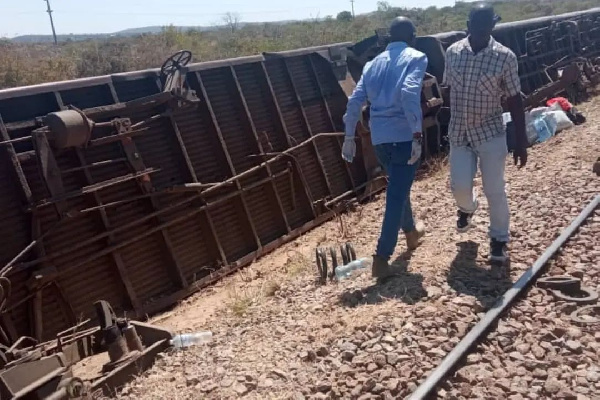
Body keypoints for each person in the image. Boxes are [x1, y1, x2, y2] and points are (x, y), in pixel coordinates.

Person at [342, 17, 427, 280]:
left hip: (380, 140)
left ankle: (411, 233)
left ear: (388, 38)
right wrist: (416, 134)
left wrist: (348, 137)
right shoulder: (417, 57)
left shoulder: (371, 65)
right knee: (395, 194)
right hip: (403, 137)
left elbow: (354, 102)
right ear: (412, 37)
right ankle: (382, 257)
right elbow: (410, 93)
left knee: (399, 188)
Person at [442, 3, 528, 262]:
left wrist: (521, 141)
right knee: (459, 187)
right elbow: (447, 89)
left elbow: (515, 100)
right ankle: (468, 208)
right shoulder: (453, 52)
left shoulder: (505, 57)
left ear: (492, 27)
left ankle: (499, 239)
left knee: (495, 189)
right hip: (459, 133)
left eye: (485, 27)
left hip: (490, 131)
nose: (480, 32)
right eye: (476, 28)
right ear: (468, 27)